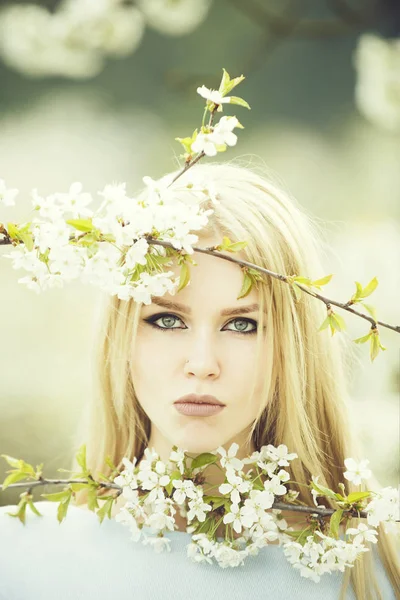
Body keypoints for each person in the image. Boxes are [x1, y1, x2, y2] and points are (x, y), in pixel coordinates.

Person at [0, 162, 399, 599]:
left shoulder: (369, 572)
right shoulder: (19, 560)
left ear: (293, 349)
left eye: (243, 325)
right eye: (167, 319)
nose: (202, 363)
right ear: (119, 337)